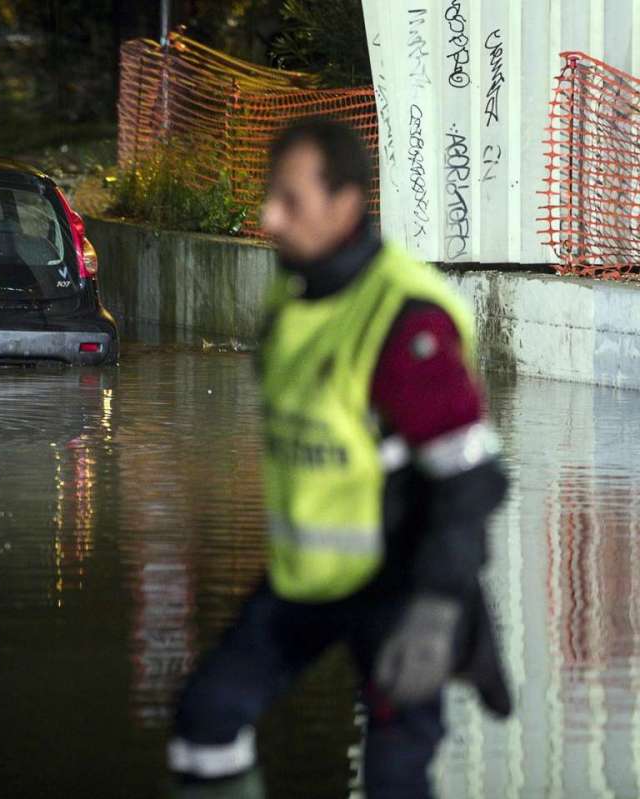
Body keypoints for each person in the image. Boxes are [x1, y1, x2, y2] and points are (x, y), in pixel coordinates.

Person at [167, 118, 512, 798]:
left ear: (346, 202)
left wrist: (439, 610)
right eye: (271, 195)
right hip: (308, 581)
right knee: (206, 721)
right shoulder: (294, 294)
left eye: (289, 200)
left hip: (398, 593)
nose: (268, 217)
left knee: (393, 774)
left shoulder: (405, 320)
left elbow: (472, 482)